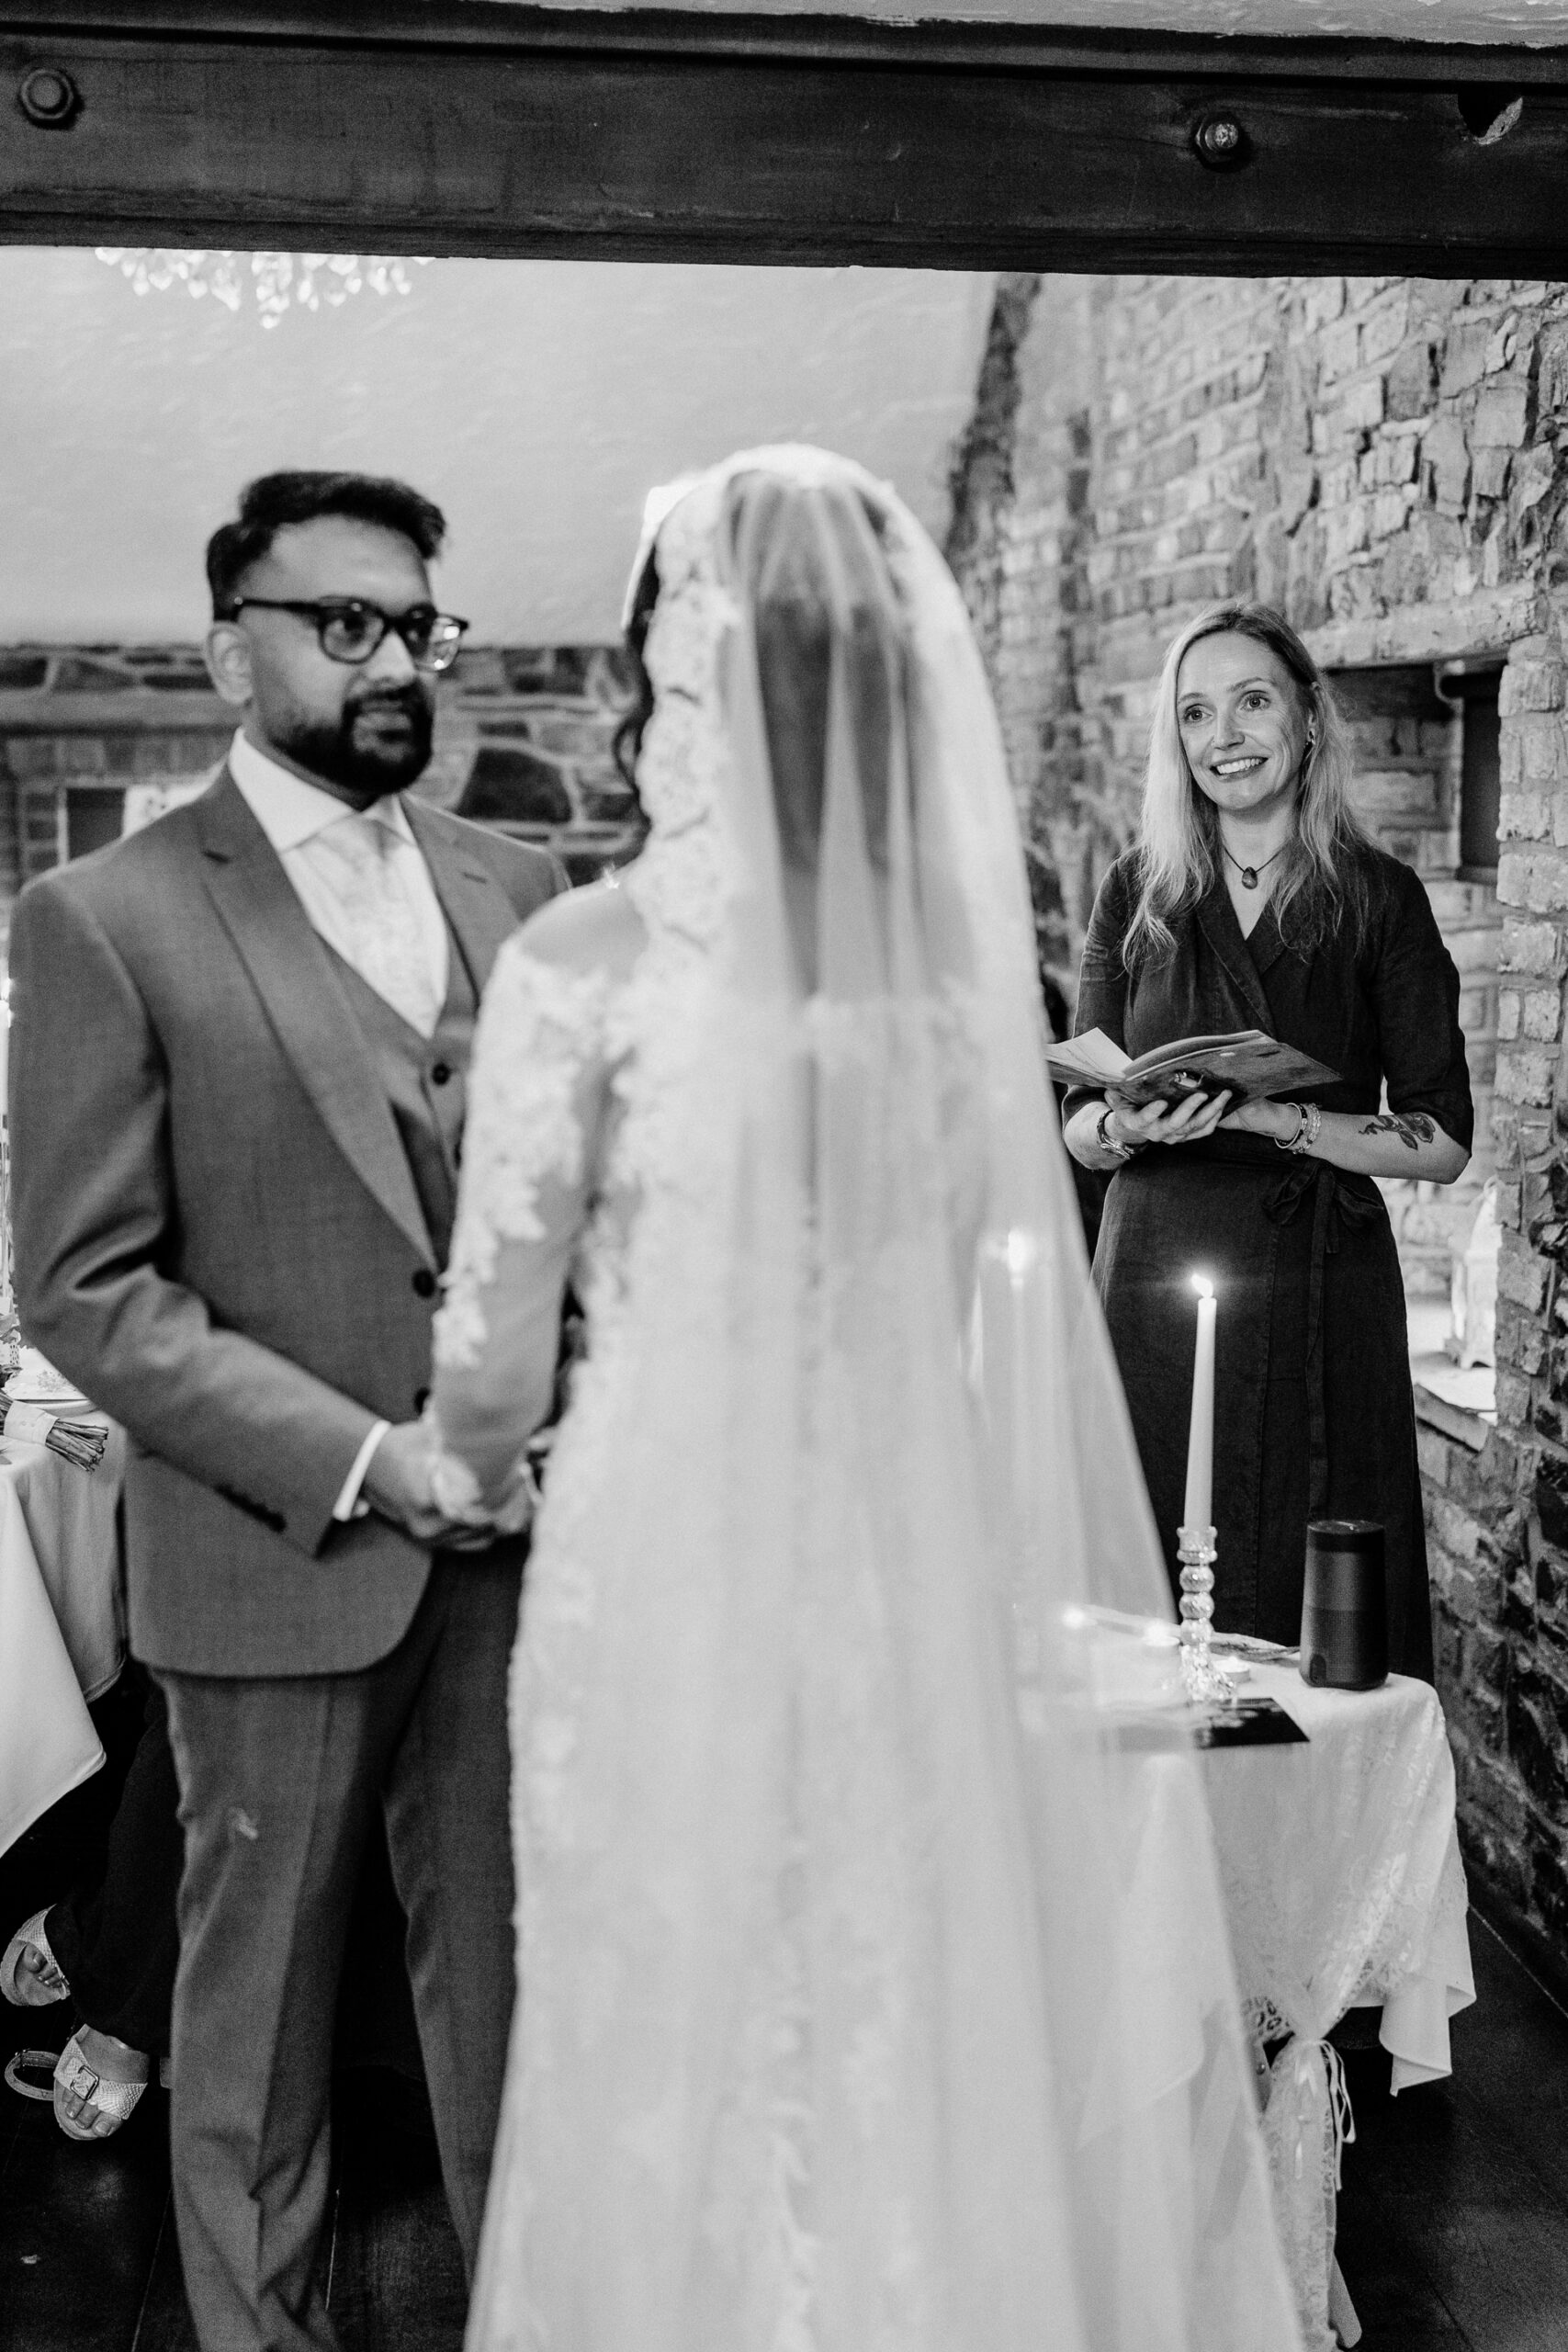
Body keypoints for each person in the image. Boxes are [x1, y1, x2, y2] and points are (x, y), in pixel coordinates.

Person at [429, 448, 1301, 2352]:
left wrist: (454, 1455)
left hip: (656, 1563)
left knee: (662, 2012)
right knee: (899, 2002)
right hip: (907, 1560)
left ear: (670, 677)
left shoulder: (584, 961)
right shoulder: (937, 991)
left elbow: (489, 1374)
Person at [8, 470, 562, 2350]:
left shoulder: (523, 889)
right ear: (227, 641)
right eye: (344, 622)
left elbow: (576, 1216)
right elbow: (86, 1285)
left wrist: (567, 1412)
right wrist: (366, 1453)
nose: (392, 656)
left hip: (518, 1570)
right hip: (272, 1561)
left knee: (520, 2022)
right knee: (247, 2057)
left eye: (418, 621)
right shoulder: (107, 918)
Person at [1063, 601, 1472, 1677]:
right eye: (1196, 714)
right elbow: (1074, 1109)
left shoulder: (1379, 898)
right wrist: (1116, 1122)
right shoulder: (1139, 889)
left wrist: (1273, 1118)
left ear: (1307, 719)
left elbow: (1440, 1141)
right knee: (1146, 1613)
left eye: (1252, 701)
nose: (1225, 735)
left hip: (1318, 1280)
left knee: (1314, 1628)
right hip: (1152, 1277)